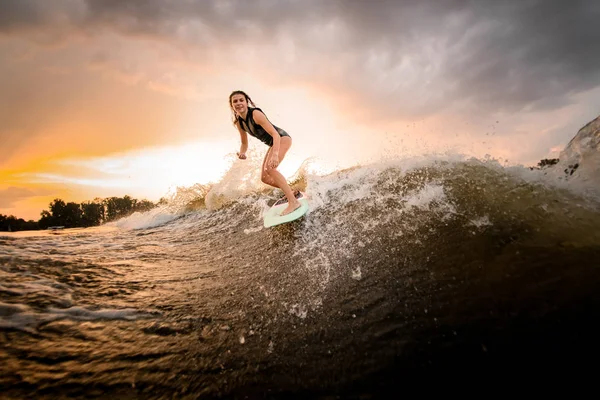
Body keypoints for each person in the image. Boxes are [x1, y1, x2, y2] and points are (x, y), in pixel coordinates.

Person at [228, 90, 302, 215]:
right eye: (235, 101)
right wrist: (242, 153)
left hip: (281, 139)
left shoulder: (256, 114)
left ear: (247, 102)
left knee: (270, 169)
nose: (239, 103)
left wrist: (274, 155)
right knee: (265, 178)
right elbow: (244, 143)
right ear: (232, 105)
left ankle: (293, 202)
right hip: (273, 143)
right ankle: (291, 191)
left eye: (241, 100)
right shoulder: (239, 122)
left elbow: (275, 134)